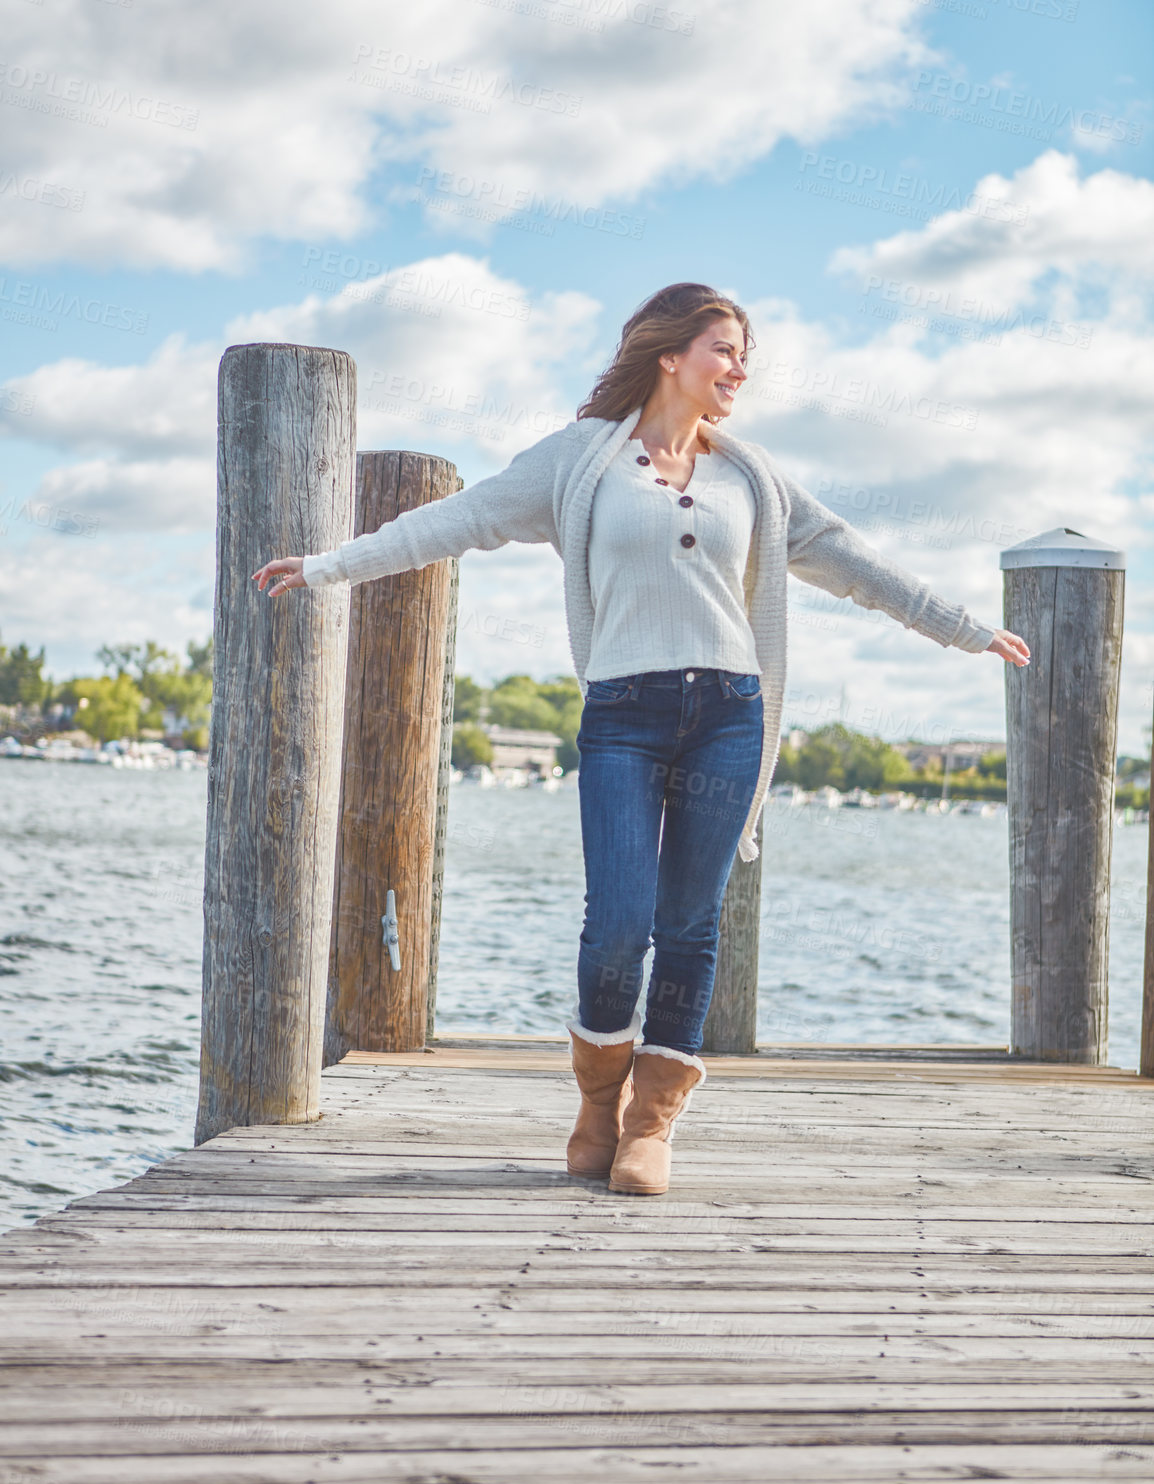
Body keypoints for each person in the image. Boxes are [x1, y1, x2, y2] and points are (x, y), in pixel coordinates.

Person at [252, 282, 1030, 1197]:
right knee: (618, 922)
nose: (740, 370)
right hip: (623, 714)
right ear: (672, 355)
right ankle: (596, 1104)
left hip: (730, 715)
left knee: (692, 926)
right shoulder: (582, 461)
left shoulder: (752, 478)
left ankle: (651, 1124)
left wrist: (964, 627)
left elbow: (854, 561)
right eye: (726, 350)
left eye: (745, 356)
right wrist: (333, 565)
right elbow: (457, 520)